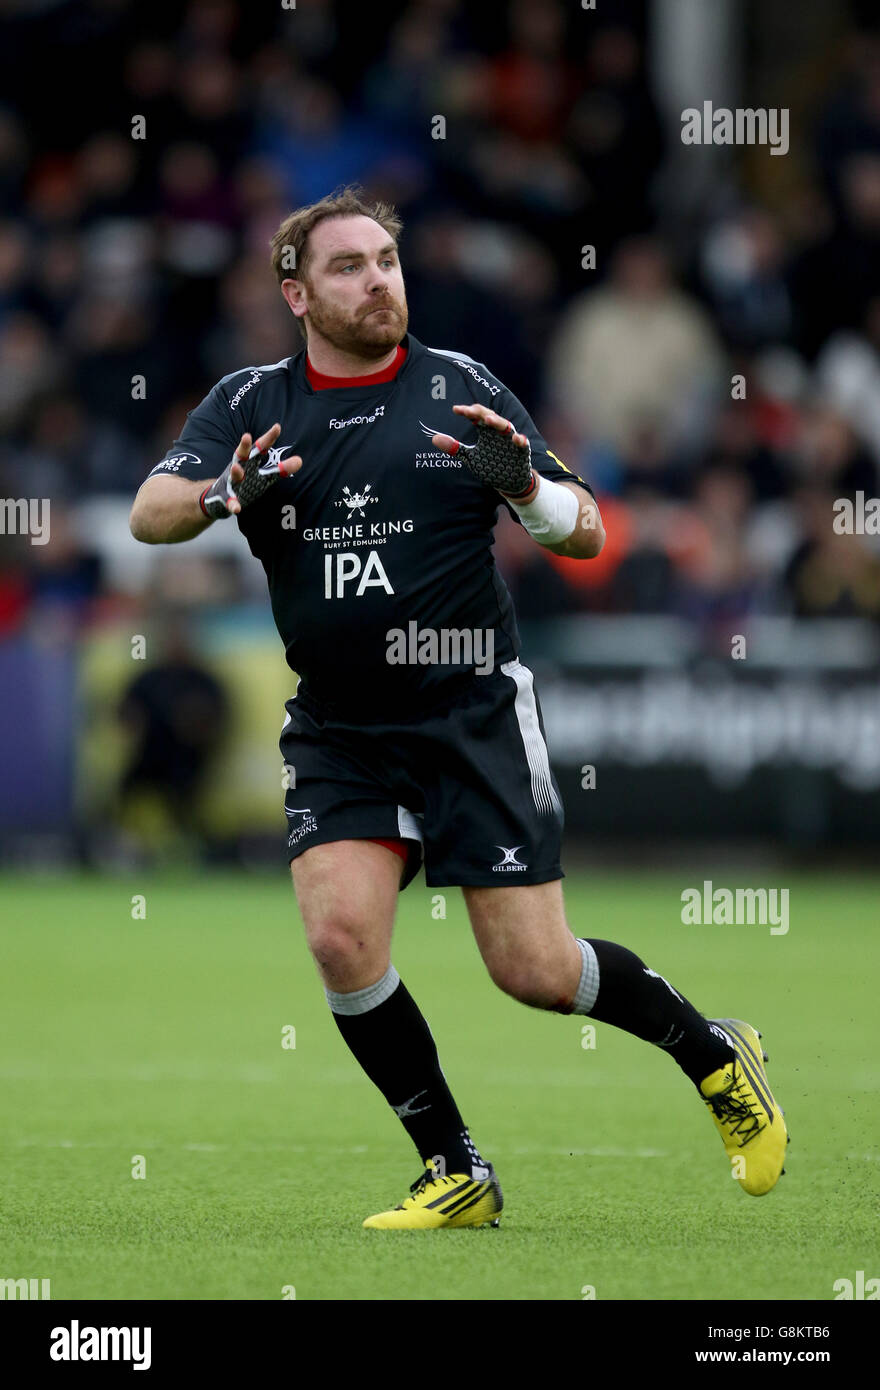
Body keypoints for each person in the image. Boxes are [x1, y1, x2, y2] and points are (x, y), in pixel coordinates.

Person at [129, 187, 788, 1230]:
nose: (377, 278)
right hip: (340, 723)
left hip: (467, 710)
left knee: (530, 970)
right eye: (348, 266)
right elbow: (147, 513)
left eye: (387, 259)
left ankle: (713, 1051)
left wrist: (522, 487)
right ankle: (456, 1169)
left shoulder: (459, 386)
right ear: (297, 294)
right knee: (342, 939)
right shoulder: (250, 401)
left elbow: (585, 531)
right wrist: (222, 496)